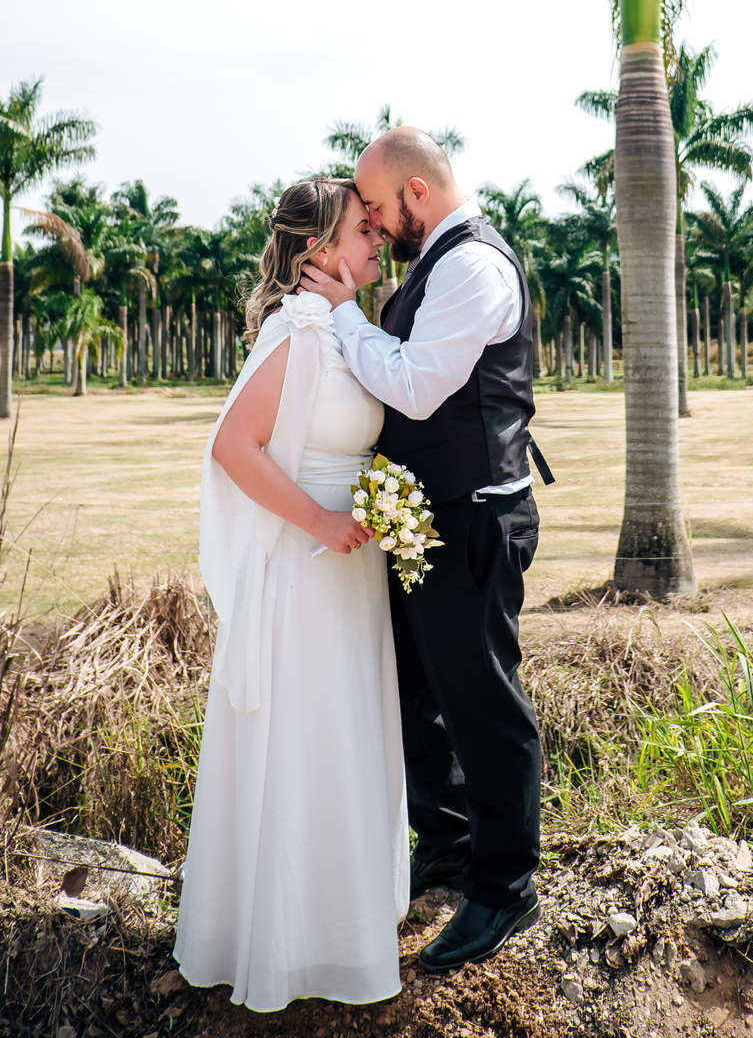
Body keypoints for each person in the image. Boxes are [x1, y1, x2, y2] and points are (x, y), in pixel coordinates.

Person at [301, 125, 545, 974]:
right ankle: (445, 846)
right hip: (426, 518)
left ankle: (504, 887)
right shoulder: (434, 263)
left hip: (474, 518)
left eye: (374, 206)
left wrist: (343, 315)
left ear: (416, 192)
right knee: (414, 697)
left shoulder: (472, 266)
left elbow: (413, 385)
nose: (370, 222)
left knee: (482, 702)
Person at [175, 178, 409, 1013]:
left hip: (348, 573)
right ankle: (292, 943)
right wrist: (321, 518)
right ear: (319, 249)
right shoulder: (299, 332)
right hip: (308, 572)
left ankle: (340, 932)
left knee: (344, 738)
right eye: (363, 229)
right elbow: (234, 447)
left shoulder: (340, 325)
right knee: (311, 741)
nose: (378, 239)